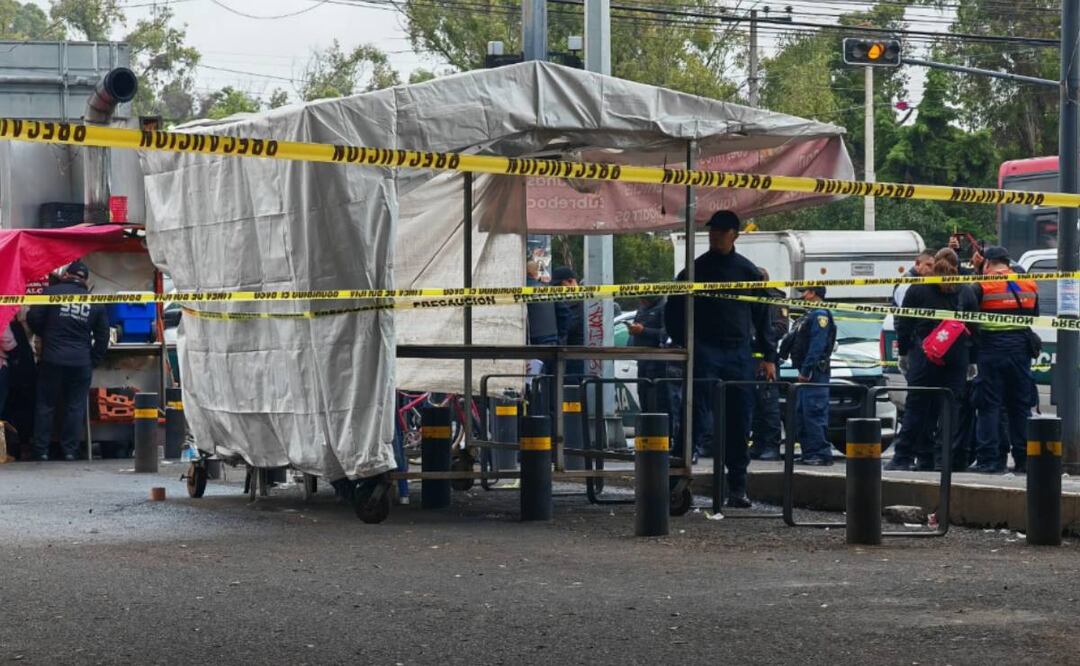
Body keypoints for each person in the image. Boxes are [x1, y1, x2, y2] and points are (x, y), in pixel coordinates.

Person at [665, 210, 779, 508]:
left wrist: (768, 356)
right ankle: (677, 482)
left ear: (734, 235)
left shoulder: (747, 271)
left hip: (738, 352)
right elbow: (673, 310)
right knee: (694, 415)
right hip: (704, 349)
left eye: (722, 230)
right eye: (713, 230)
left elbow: (763, 315)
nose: (715, 234)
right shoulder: (695, 270)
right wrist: (681, 343)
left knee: (739, 419)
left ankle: (737, 486)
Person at [889, 248, 978, 472]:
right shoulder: (965, 292)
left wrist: (904, 352)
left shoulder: (918, 290)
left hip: (925, 354)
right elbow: (975, 328)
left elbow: (904, 324)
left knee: (917, 406)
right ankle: (943, 459)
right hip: (957, 356)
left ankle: (905, 457)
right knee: (950, 408)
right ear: (957, 267)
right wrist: (971, 360)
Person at [27, 261, 109, 461]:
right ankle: (70, 451)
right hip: (80, 362)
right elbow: (103, 335)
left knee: (46, 405)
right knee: (75, 406)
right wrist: (93, 360)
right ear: (85, 280)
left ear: (66, 275)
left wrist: (46, 333)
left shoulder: (50, 293)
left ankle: (41, 451)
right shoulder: (94, 302)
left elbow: (33, 318)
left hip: (52, 359)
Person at [968, 246, 1039, 474]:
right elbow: (1033, 316)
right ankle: (1024, 459)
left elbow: (967, 319)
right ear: (1007, 263)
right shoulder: (1027, 283)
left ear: (987, 264)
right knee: (1020, 406)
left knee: (989, 407)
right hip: (1020, 350)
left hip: (991, 350)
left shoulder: (981, 285)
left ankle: (990, 460)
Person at [785, 285, 836, 465]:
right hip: (806, 372)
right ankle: (809, 452)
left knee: (814, 412)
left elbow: (817, 345)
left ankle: (821, 454)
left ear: (814, 293)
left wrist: (806, 370)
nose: (803, 296)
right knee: (802, 413)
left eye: (805, 292)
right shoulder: (809, 314)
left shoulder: (820, 314)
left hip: (815, 372)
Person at [750, 267, 787, 461]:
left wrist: (760, 337)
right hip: (749, 358)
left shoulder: (774, 298)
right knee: (754, 405)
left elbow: (780, 328)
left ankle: (772, 446)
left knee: (768, 404)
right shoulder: (748, 298)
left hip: (766, 358)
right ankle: (757, 444)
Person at [628, 281, 672, 431]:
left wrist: (643, 330)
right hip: (642, 360)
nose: (641, 301)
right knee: (644, 398)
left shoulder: (664, 308)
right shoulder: (642, 309)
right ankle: (647, 433)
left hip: (658, 362)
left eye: (644, 298)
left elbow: (666, 334)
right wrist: (633, 330)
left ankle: (663, 435)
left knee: (659, 401)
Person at [551, 266, 585, 378]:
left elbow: (568, 327)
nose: (557, 290)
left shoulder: (578, 302)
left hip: (576, 356)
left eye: (559, 286)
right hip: (570, 355)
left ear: (570, 282)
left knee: (574, 390)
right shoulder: (573, 301)